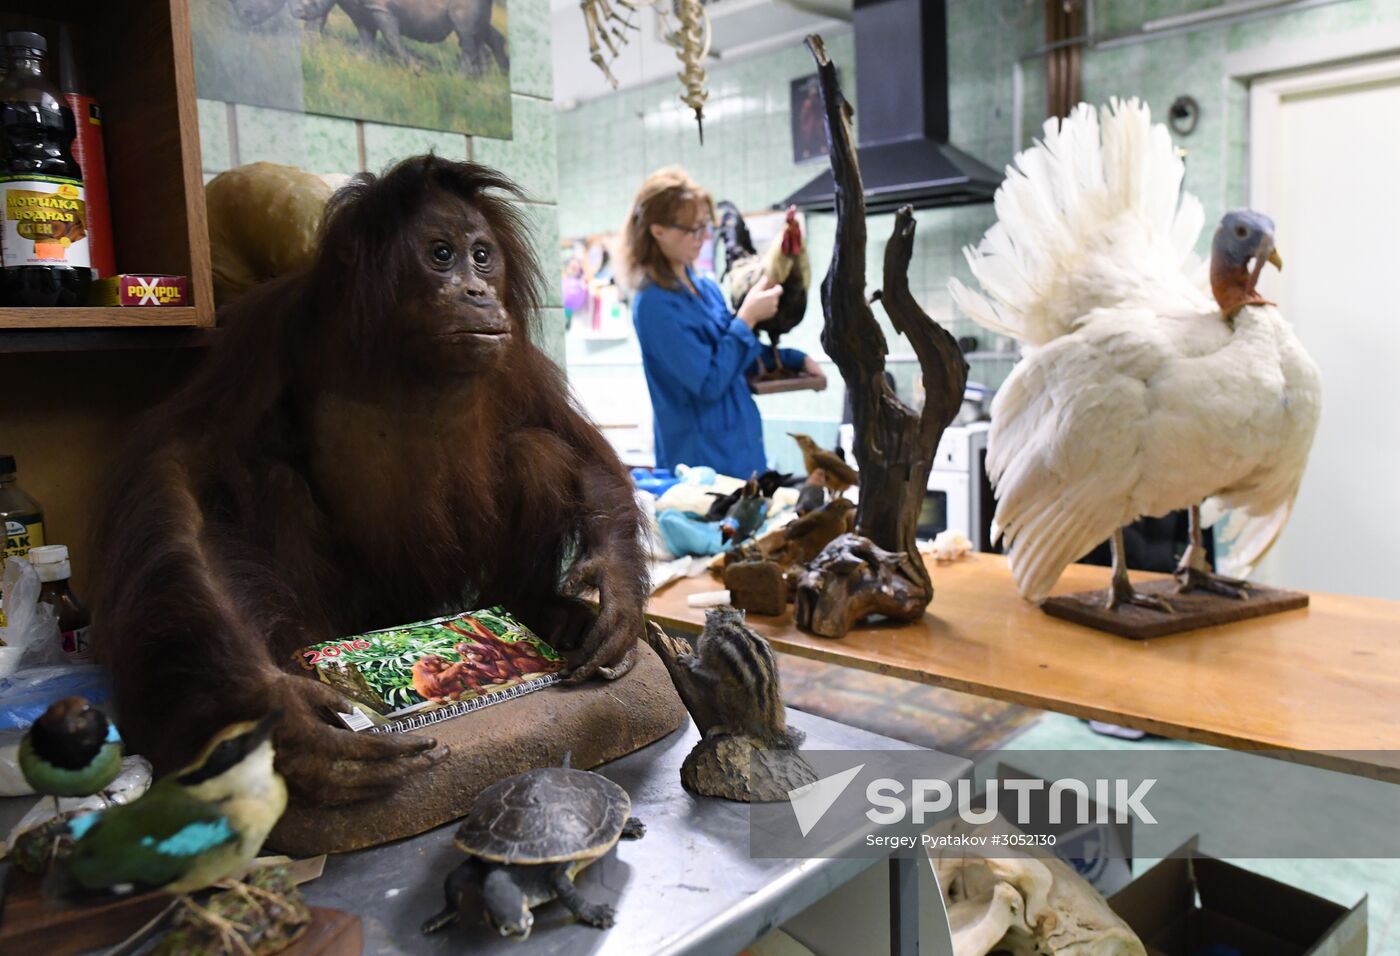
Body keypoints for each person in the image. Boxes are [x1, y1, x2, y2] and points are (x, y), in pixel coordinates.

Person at [620, 167, 823, 477]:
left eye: (705, 226)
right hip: (702, 467)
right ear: (657, 229)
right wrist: (747, 317)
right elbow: (708, 383)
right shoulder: (654, 305)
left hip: (743, 455)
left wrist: (797, 359)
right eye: (691, 229)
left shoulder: (706, 288)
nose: (702, 237)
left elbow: (736, 355)